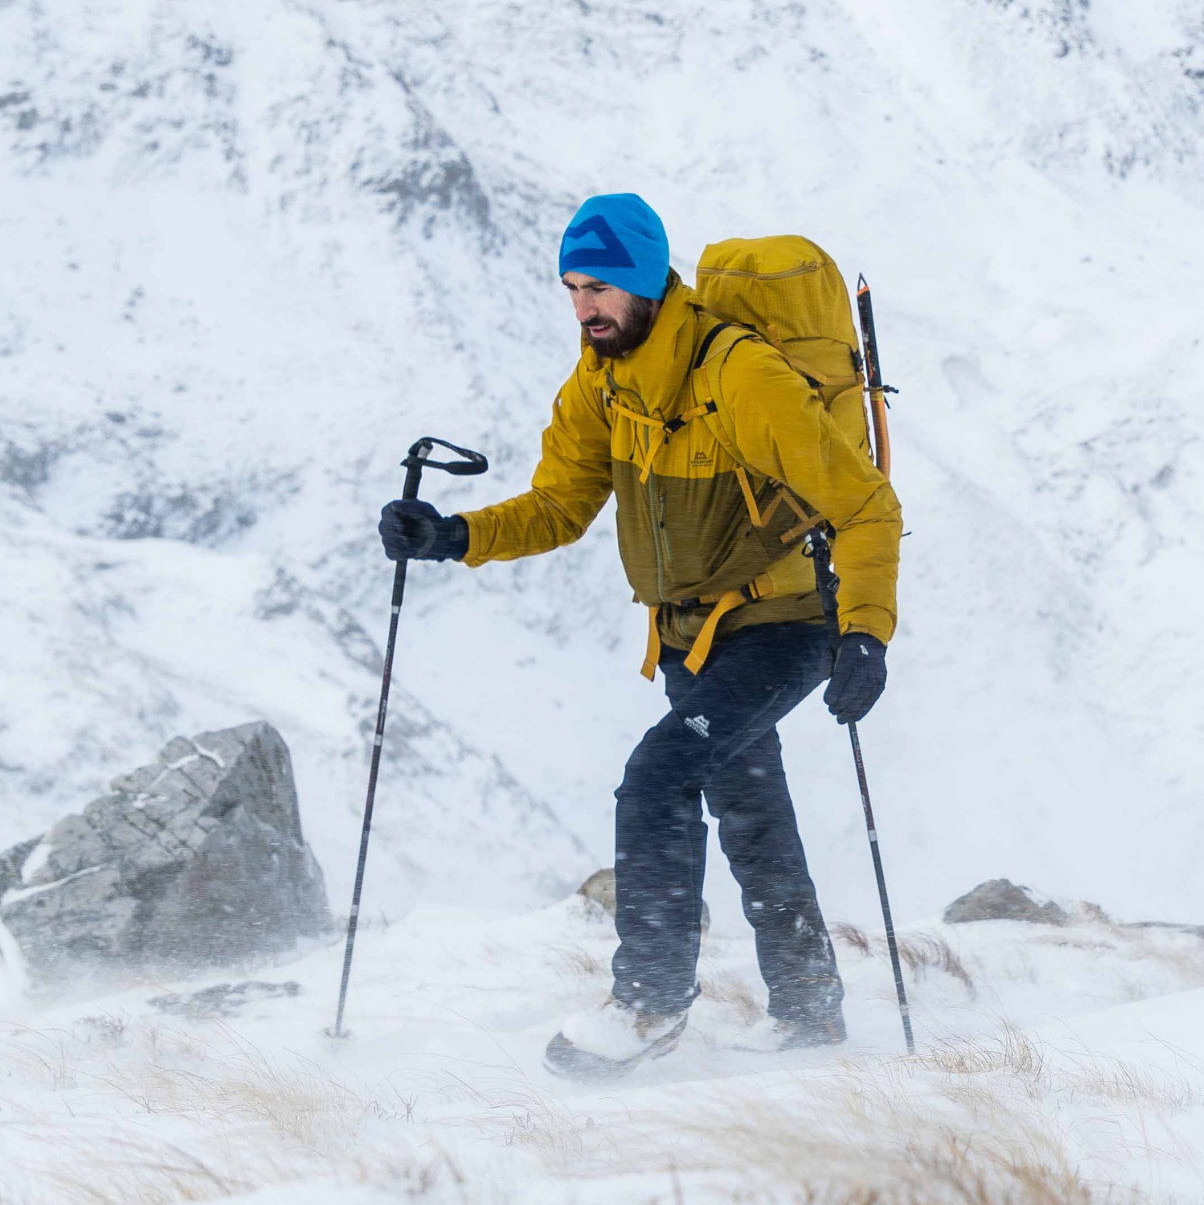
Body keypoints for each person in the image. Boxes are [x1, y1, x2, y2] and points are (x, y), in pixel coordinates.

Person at [377, 193, 901, 1074]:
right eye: (574, 288)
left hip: (786, 623)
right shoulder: (602, 382)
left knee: (655, 780)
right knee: (751, 816)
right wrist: (452, 536)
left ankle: (649, 1004)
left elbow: (866, 506)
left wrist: (865, 637)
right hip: (691, 635)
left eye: (603, 287)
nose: (586, 307)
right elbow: (559, 506)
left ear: (652, 282)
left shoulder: (739, 375)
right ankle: (811, 1013)